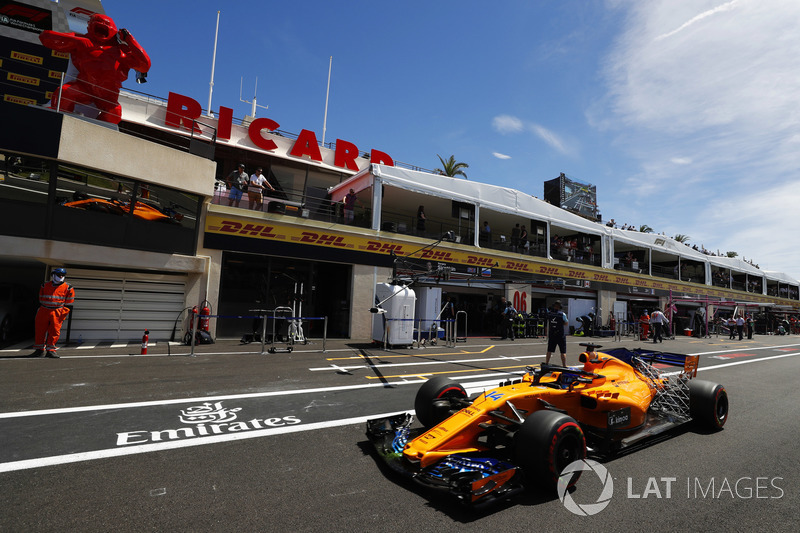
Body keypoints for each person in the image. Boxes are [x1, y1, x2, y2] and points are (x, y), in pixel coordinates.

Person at [38, 13, 151, 125]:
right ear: (89, 26)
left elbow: (145, 65)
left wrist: (130, 40)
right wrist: (76, 41)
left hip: (107, 95)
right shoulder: (82, 41)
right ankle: (57, 124)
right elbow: (45, 38)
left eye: (104, 26)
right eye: (98, 25)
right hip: (84, 87)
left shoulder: (121, 51)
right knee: (64, 93)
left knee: (114, 113)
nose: (101, 27)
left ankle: (94, 132)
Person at [29, 268, 75, 358]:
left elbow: (69, 302)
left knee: (54, 331)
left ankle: (51, 351)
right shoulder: (44, 285)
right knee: (40, 330)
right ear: (53, 275)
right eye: (58, 275)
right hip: (44, 310)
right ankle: (39, 350)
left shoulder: (68, 287)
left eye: (63, 275)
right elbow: (41, 298)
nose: (61, 277)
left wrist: (61, 310)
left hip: (57, 311)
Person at [545, 300, 568, 366]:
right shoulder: (562, 314)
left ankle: (546, 363)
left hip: (552, 334)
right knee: (563, 351)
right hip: (560, 334)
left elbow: (547, 322)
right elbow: (566, 323)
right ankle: (564, 365)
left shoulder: (550, 313)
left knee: (549, 350)